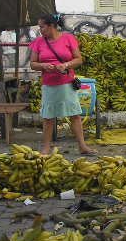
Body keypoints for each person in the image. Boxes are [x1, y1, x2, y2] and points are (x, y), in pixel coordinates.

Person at [29, 14, 94, 156]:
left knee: (74, 115)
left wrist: (65, 65)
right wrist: (44, 66)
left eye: (42, 26)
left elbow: (78, 60)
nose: (40, 30)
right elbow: (33, 64)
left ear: (51, 26)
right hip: (48, 84)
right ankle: (46, 148)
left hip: (66, 83)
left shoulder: (68, 38)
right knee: (48, 117)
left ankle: (82, 146)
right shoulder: (38, 42)